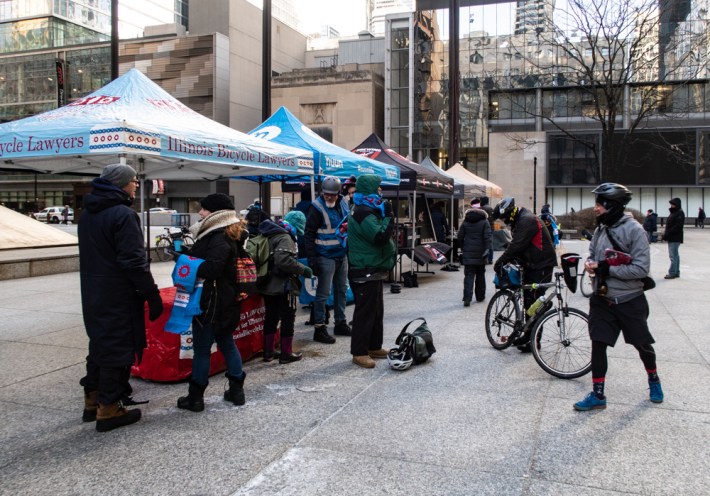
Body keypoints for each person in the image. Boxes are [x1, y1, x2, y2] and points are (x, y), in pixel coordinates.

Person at [78, 164, 163, 432]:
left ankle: (92, 400)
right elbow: (134, 261)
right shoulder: (123, 215)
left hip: (93, 290)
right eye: (133, 180)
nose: (136, 184)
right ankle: (110, 408)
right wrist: (151, 292)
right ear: (120, 183)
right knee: (118, 346)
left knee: (100, 343)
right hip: (119, 293)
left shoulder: (87, 214)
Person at [575, 182, 663, 411]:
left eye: (599, 204)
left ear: (612, 205)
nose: (595, 208)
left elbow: (641, 269)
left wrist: (607, 269)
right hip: (602, 299)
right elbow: (592, 253)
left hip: (629, 300)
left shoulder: (635, 230)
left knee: (642, 345)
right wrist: (590, 264)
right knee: (598, 344)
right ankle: (598, 394)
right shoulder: (601, 229)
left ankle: (653, 379)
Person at [176, 193, 247, 413]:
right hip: (225, 300)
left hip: (211, 302)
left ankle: (195, 397)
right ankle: (237, 391)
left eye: (204, 209)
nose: (200, 213)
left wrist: (186, 260)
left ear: (215, 213)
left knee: (202, 350)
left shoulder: (217, 237)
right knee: (227, 342)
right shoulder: (229, 234)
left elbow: (213, 268)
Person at [492, 197, 557, 352]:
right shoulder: (520, 219)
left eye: (504, 218)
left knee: (535, 304)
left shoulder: (527, 220)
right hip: (532, 265)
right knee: (528, 302)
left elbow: (517, 245)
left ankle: (534, 341)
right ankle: (527, 336)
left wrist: (500, 261)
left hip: (541, 266)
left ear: (510, 213)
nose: (504, 221)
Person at [347, 174, 397, 368]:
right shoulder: (362, 213)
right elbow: (380, 237)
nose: (380, 191)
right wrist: (389, 217)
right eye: (378, 188)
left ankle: (374, 345)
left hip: (374, 267)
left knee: (376, 311)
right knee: (365, 312)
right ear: (369, 189)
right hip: (364, 269)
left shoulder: (368, 209)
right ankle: (359, 352)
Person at [257, 210, 313, 364]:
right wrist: (303, 269)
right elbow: (283, 260)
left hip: (267, 283)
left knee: (271, 317)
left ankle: (268, 352)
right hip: (284, 286)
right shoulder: (285, 237)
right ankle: (286, 354)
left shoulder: (270, 233)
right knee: (288, 317)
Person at [305, 176, 351, 344]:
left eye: (332, 194)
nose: (329, 197)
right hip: (324, 255)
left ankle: (340, 322)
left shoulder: (344, 203)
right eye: (326, 194)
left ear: (338, 193)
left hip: (341, 254)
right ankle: (319, 327)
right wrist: (312, 258)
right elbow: (309, 233)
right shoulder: (316, 207)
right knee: (323, 293)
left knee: (342, 290)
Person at [457, 202, 491, 306]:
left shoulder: (465, 222)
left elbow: (460, 236)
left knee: (468, 275)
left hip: (468, 252)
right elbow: (488, 237)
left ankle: (467, 298)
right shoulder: (485, 222)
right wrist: (487, 250)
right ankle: (480, 296)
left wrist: (463, 248)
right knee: (480, 274)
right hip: (481, 253)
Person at [664, 197, 685, 279]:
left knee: (673, 255)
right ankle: (676, 272)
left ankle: (672, 272)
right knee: (675, 255)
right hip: (673, 237)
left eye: (673, 204)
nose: (671, 205)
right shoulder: (674, 212)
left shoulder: (679, 213)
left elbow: (678, 226)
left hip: (675, 238)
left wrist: (668, 233)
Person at [479, 196, 495, 264]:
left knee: (485, 243)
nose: (479, 202)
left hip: (486, 228)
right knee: (490, 243)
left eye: (480, 200)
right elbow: (493, 218)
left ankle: (486, 258)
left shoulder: (483, 208)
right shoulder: (490, 208)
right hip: (490, 228)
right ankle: (490, 259)